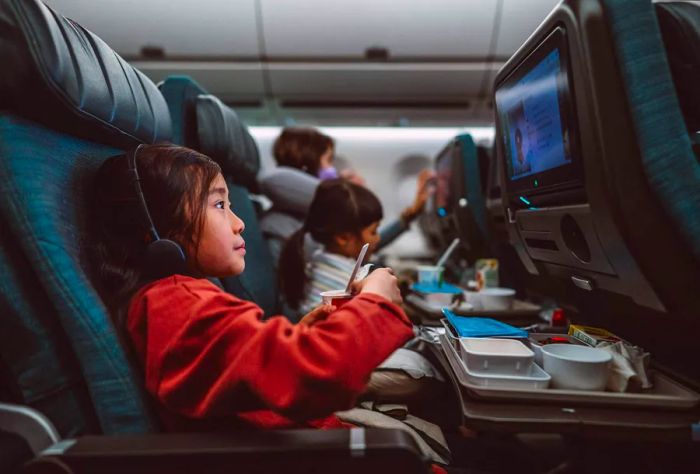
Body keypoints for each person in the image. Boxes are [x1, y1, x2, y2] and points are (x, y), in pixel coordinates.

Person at [89, 144, 414, 433]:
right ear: (155, 226)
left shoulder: (179, 297)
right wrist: (377, 301)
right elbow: (317, 377)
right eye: (219, 205)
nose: (239, 222)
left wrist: (296, 335)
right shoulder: (177, 305)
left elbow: (242, 377)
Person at [259, 127, 434, 267]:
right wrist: (346, 191)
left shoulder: (312, 216)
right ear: (307, 164)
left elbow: (361, 243)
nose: (333, 170)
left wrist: (408, 216)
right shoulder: (279, 227)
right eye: (328, 160)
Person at [279, 179, 384, 315]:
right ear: (343, 238)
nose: (378, 238)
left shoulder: (318, 260)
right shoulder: (344, 281)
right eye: (373, 232)